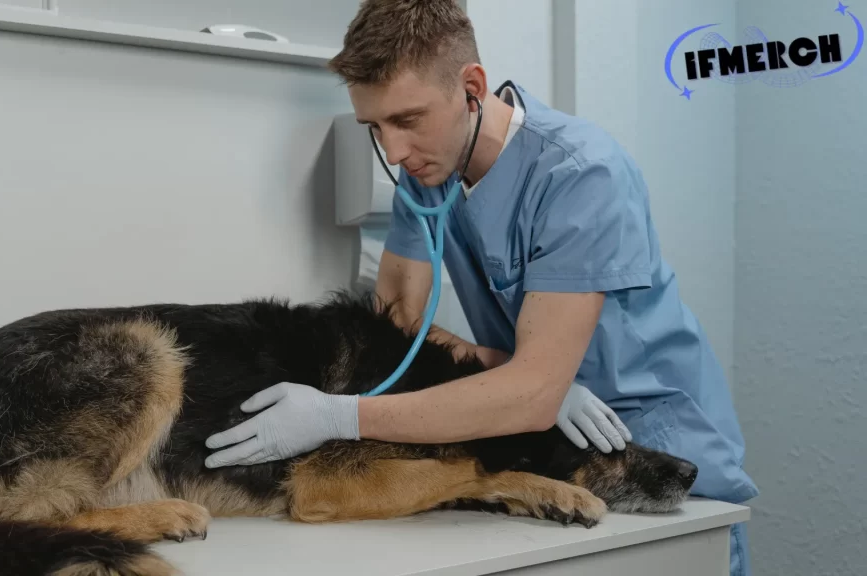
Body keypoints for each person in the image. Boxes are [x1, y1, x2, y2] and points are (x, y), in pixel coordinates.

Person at [203, 1, 757, 574]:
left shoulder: (581, 176)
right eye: (376, 127)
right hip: (539, 444)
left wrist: (338, 417)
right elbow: (394, 324)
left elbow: (536, 392)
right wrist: (501, 366)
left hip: (649, 449)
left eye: (409, 119)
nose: (392, 152)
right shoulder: (425, 176)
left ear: (472, 87)